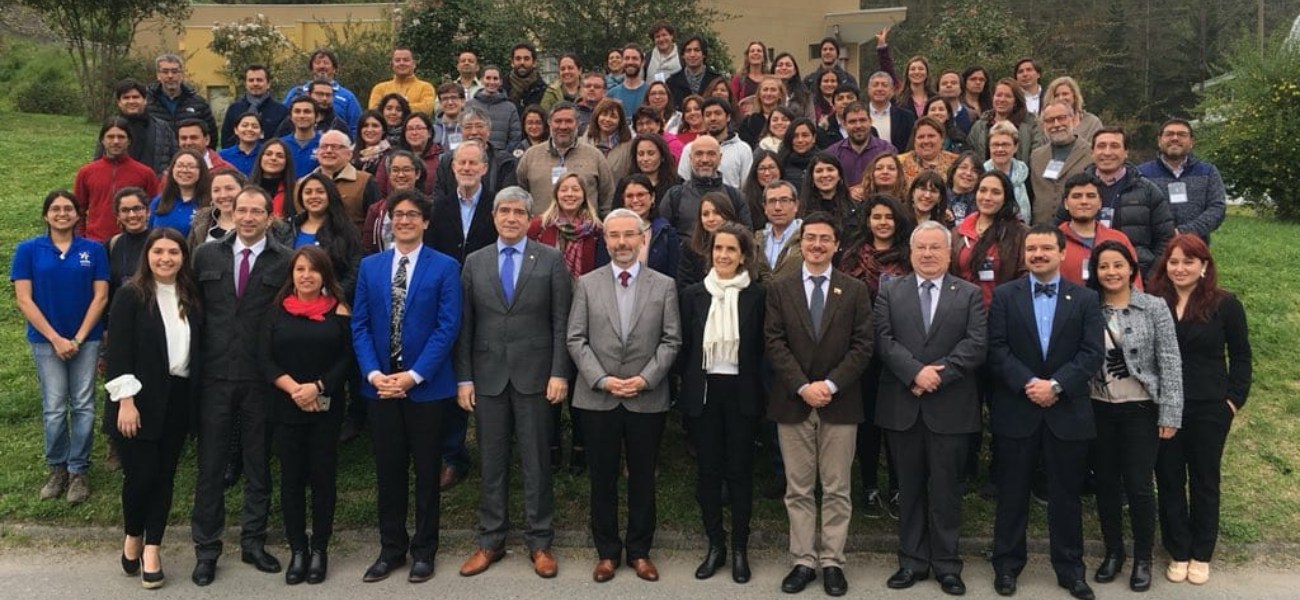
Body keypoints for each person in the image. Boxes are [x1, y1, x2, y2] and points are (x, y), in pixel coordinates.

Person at [454, 187, 572, 580]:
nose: (510, 218)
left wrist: (559, 373)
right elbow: (465, 326)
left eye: (518, 212)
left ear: (529, 218)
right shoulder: (474, 262)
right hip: (487, 378)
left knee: (537, 462)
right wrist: (465, 378)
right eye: (503, 211)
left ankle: (540, 542)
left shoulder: (551, 259)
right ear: (493, 217)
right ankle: (491, 540)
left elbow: (561, 322)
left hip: (536, 377)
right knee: (492, 462)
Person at [351, 190, 463, 585]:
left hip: (426, 389)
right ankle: (391, 549)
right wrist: (373, 374)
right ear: (389, 221)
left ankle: (424, 551)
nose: (405, 221)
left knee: (427, 473)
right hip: (380, 388)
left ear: (425, 222)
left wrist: (414, 376)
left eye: (413, 215)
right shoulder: (371, 266)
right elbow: (360, 324)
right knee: (389, 472)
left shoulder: (446, 267)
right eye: (398, 215)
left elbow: (448, 327)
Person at [988, 225, 1104, 600]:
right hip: (1017, 409)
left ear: (1061, 253)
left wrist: (1054, 385)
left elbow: (1091, 354)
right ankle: (1006, 566)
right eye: (1032, 248)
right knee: (1012, 494)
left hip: (1066, 411)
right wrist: (1029, 384)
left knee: (1066, 496)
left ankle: (1071, 570)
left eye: (1045, 248)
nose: (1038, 254)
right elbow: (997, 349)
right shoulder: (1005, 296)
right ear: (1024, 254)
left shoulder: (1085, 299)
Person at [566, 208, 681, 584]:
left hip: (646, 398)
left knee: (643, 477)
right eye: (614, 236)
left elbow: (671, 340)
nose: (621, 243)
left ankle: (640, 550)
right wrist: (602, 379)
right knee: (602, 478)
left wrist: (644, 379)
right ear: (605, 241)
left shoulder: (664, 285)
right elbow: (576, 339)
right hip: (598, 398)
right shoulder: (587, 283)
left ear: (641, 239)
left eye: (629, 235)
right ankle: (607, 552)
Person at [873, 220, 987, 596]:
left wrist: (939, 375)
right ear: (910, 252)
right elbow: (884, 340)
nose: (927, 254)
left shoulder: (969, 293)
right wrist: (914, 373)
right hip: (903, 404)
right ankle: (911, 561)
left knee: (945, 491)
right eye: (921, 247)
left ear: (949, 252)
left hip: (950, 405)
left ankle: (947, 565)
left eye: (935, 247)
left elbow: (976, 344)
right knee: (908, 488)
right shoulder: (891, 291)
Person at [189, 185, 293, 587]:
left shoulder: (284, 261)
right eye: (241, 209)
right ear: (230, 211)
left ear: (270, 217)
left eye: (256, 211)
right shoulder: (205, 255)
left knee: (257, 464)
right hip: (214, 376)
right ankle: (207, 549)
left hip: (260, 377)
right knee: (211, 466)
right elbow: (193, 311)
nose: (248, 217)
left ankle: (253, 540)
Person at [766, 212, 874, 597]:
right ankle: (802, 559)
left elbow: (864, 346)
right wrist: (802, 387)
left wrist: (828, 384)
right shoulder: (780, 287)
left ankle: (831, 561)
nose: (816, 245)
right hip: (793, 401)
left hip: (839, 402)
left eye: (824, 239)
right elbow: (774, 343)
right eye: (810, 238)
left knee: (836, 488)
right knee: (797, 489)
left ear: (835, 245)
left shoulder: (855, 290)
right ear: (801, 242)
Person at [1149, 234, 1251, 586]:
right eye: (1174, 262)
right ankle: (1178, 549)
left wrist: (1233, 401)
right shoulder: (1154, 302)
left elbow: (1241, 356)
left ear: (1204, 266)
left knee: (1206, 480)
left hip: (1210, 406)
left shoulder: (1225, 304)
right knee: (1170, 477)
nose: (1180, 268)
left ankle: (1202, 552)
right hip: (1165, 407)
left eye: (1188, 261)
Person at [103, 228, 200, 589]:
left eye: (173, 252)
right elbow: (118, 352)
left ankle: (152, 549)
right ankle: (132, 535)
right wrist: (125, 402)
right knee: (140, 476)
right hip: (137, 399)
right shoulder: (131, 295)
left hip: (178, 397)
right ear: (147, 255)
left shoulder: (190, 295)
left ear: (183, 256)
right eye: (158, 251)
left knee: (165, 476)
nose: (165, 258)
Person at [1084, 240, 1183, 592]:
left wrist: (1170, 413)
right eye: (1103, 266)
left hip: (1140, 408)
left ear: (1131, 269)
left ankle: (1143, 558)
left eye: (1117, 265)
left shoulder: (1154, 307)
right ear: (1095, 273)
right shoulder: (1088, 307)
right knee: (1106, 483)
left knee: (1139, 486)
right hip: (1098, 406)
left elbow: (1170, 361)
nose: (1111, 272)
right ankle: (1114, 553)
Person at [676, 222, 765, 584]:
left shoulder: (757, 295)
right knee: (708, 472)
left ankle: (741, 548)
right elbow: (684, 346)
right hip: (705, 393)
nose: (724, 255)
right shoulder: (695, 294)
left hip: (742, 393)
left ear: (743, 256)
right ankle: (716, 544)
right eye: (718, 249)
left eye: (731, 250)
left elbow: (762, 349)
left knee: (740, 474)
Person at [259, 245, 353, 585]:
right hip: (286, 407)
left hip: (325, 408)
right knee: (291, 480)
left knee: (323, 479)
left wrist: (318, 386)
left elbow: (347, 359)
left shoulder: (339, 310)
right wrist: (295, 390)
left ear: (324, 275)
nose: (306, 275)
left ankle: (320, 549)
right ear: (292, 274)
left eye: (313, 270)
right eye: (300, 269)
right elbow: (265, 359)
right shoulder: (276, 311)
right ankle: (298, 548)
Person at [13, 190, 110, 504]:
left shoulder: (93, 250)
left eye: (68, 208)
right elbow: (24, 299)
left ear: (78, 215)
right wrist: (55, 338)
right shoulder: (28, 250)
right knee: (54, 407)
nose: (62, 213)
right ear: (46, 215)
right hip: (46, 341)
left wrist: (79, 338)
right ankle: (57, 468)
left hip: (86, 338)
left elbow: (101, 297)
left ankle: (78, 469)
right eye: (55, 209)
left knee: (83, 405)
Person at [837, 194, 913, 520]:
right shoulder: (852, 257)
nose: (882, 222)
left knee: (897, 422)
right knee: (867, 422)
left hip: (900, 347)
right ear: (867, 221)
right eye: (876, 216)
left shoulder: (909, 259)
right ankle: (868, 486)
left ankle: (897, 487)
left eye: (888, 217)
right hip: (861, 349)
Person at [1065, 127, 1174, 278]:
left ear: (1126, 152)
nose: (1107, 152)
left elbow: (1166, 238)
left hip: (1136, 278)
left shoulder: (1148, 190)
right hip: (1083, 278)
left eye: (1114, 146)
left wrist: (1151, 275)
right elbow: (1061, 231)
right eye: (1101, 146)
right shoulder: (1076, 188)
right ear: (1092, 152)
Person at [516, 102, 615, 216]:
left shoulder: (595, 156)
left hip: (585, 231)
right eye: (558, 121)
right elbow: (521, 197)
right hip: (541, 231)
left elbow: (607, 199)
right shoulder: (530, 156)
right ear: (549, 123)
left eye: (568, 121)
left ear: (577, 124)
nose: (563, 127)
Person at [1137, 119, 1227, 243]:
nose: (1175, 138)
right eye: (1169, 134)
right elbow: (1136, 211)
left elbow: (1217, 209)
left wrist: (1184, 232)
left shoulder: (1208, 172)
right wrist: (1163, 233)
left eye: (1182, 134)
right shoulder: (1141, 174)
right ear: (1159, 141)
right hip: (1154, 249)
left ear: (1191, 142)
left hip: (1195, 249)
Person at [75, 117, 160, 242]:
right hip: (96, 241)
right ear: (102, 140)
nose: (115, 141)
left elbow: (154, 209)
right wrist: (80, 238)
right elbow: (78, 209)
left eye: (121, 137)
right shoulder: (86, 172)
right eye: (110, 137)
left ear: (129, 140)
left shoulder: (145, 173)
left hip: (133, 240)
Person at [954, 171, 1028, 308]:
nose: (987, 197)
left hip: (1001, 311)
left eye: (995, 192)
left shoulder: (1020, 233)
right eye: (982, 190)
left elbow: (1025, 277)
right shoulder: (958, 232)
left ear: (1006, 197)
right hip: (962, 310)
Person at [662, 135, 753, 244]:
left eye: (711, 154)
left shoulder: (735, 196)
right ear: (690, 159)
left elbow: (746, 239)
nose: (705, 160)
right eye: (699, 154)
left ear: (720, 158)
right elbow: (664, 239)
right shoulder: (675, 196)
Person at [287, 173, 363, 298]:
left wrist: (335, 297)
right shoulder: (290, 227)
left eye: (320, 191)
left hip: (331, 304)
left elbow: (354, 272)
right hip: (291, 302)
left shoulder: (346, 230)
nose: (314, 196)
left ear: (330, 195)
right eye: (308, 192)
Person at [1057, 173, 1139, 286]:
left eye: (1090, 196)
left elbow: (1135, 282)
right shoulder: (1053, 241)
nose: (1084, 202)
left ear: (1100, 203)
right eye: (1077, 196)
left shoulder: (1119, 239)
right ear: (1066, 203)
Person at [427, 140, 498, 265]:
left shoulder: (497, 206)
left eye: (473, 163)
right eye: (462, 162)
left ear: (484, 168)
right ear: (454, 167)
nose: (466, 168)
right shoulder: (438, 208)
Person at [1029, 101, 1093, 226]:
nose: (1056, 124)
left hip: (1076, 230)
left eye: (1061, 118)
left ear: (1074, 119)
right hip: (1041, 230)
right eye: (1050, 120)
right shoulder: (1036, 156)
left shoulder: (1091, 154)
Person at [310, 130, 381, 233]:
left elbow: (375, 223)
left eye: (335, 147)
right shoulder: (304, 184)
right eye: (324, 146)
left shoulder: (365, 181)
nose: (328, 151)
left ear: (349, 154)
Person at [610, 174, 680, 278]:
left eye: (640, 195)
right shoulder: (610, 231)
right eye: (629, 196)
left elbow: (674, 275)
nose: (635, 200)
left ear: (652, 197)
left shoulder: (665, 232)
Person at [677, 97, 753, 188]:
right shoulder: (690, 148)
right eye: (708, 115)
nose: (713, 118)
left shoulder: (743, 149)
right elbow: (683, 183)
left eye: (718, 113)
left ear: (728, 117)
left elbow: (747, 186)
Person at [282, 49, 362, 135]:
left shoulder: (347, 97)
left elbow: (356, 127)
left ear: (335, 69)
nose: (322, 66)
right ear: (312, 69)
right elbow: (282, 118)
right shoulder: (296, 92)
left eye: (326, 63)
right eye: (317, 63)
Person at [968, 78, 1044, 165]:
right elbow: (971, 155)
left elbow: (1038, 155)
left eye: (1008, 96)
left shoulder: (1031, 125)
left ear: (1016, 101)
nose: (1002, 99)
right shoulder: (980, 126)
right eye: (998, 95)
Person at [363, 151, 426, 255]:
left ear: (417, 174)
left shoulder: (429, 207)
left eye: (406, 170)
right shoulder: (376, 210)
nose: (401, 175)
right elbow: (368, 247)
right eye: (395, 170)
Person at [146, 53, 217, 147]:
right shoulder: (146, 103)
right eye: (165, 71)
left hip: (191, 158)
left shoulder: (199, 103)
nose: (170, 76)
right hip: (157, 160)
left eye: (175, 71)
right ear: (158, 75)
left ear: (182, 74)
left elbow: (211, 136)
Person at [111, 78, 177, 174]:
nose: (131, 101)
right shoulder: (111, 128)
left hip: (155, 185)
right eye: (126, 98)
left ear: (145, 100)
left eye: (135, 97)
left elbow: (175, 157)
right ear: (119, 102)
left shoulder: (162, 128)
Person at [677, 191, 737, 288]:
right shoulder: (690, 247)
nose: (711, 219)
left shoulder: (743, 243)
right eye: (705, 214)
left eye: (716, 213)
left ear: (728, 214)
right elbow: (684, 286)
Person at [827, 101, 893, 189]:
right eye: (852, 121)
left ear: (870, 121)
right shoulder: (832, 153)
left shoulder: (887, 150)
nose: (858, 126)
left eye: (862, 120)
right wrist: (847, 193)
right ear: (844, 124)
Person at [220, 64, 287, 150]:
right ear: (245, 84)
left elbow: (284, 141)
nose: (255, 83)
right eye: (251, 80)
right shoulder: (234, 109)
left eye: (259, 80)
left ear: (268, 84)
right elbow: (226, 141)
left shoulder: (281, 111)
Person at [148, 149, 210, 238]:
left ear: (201, 171)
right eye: (180, 166)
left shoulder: (209, 203)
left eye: (191, 166)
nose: (184, 170)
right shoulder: (159, 202)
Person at [983, 121, 1033, 224]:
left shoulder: (1026, 174)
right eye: (995, 145)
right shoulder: (981, 174)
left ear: (1015, 147)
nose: (1000, 149)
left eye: (1005, 145)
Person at [468, 65, 523, 153]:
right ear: (482, 80)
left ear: (500, 82)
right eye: (488, 78)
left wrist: (503, 156)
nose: (492, 82)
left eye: (495, 78)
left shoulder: (510, 107)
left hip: (500, 158)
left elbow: (515, 137)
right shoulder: (470, 105)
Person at [755, 180, 804, 279]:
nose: (777, 207)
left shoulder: (807, 237)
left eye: (784, 200)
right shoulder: (757, 240)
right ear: (765, 207)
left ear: (796, 205)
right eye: (772, 201)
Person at [369, 47, 436, 116]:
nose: (401, 63)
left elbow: (427, 109)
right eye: (397, 60)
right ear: (392, 65)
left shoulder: (426, 87)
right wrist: (409, 107)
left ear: (414, 64)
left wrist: (390, 108)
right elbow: (374, 112)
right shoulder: (379, 88)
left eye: (406, 60)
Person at [189, 169, 247, 248]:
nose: (223, 195)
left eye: (229, 188)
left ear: (243, 190)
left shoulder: (256, 222)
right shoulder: (201, 220)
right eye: (216, 190)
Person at [899, 116, 959, 186]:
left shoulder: (956, 163)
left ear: (942, 139)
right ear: (914, 140)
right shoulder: (899, 163)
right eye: (921, 137)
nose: (926, 141)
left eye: (931, 136)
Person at [582, 99, 635, 177]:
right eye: (604, 115)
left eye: (613, 116)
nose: (607, 119)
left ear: (620, 121)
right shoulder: (584, 141)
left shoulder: (629, 145)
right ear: (597, 116)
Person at [866, 71, 915, 154]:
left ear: (892, 91)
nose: (880, 89)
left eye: (884, 85)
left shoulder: (906, 117)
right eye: (875, 85)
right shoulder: (858, 115)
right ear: (868, 89)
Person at [667, 36, 722, 109]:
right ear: (683, 55)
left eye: (696, 50)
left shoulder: (716, 80)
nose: (692, 55)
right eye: (688, 51)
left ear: (704, 54)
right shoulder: (672, 82)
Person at [1044, 77, 1103, 146]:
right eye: (1056, 95)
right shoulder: (1046, 123)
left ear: (1074, 96)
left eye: (1065, 94)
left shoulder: (1092, 122)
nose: (1061, 98)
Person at [628, 133, 681, 204]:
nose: (645, 159)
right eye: (641, 154)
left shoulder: (677, 185)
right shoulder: (627, 184)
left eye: (651, 153)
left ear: (662, 156)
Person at [250, 138, 297, 216]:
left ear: (287, 161)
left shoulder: (295, 191)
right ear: (260, 158)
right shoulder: (246, 189)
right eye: (268, 154)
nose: (273, 158)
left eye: (280, 156)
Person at [280, 96, 322, 178]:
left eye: (307, 112)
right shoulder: (281, 145)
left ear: (317, 117)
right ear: (291, 117)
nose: (302, 116)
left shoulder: (325, 144)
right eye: (297, 111)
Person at [738, 76, 785, 146]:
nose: (769, 93)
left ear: (780, 95)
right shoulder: (749, 121)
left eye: (773, 90)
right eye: (765, 90)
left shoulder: (788, 120)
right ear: (759, 94)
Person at [504, 43, 548, 115]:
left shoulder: (543, 90)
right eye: (518, 59)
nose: (522, 62)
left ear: (534, 63)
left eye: (526, 59)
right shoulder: (501, 88)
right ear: (512, 62)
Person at [778, 118, 820, 191]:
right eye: (795, 136)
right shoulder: (781, 163)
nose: (800, 140)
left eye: (805, 135)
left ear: (814, 138)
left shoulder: (823, 162)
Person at [607, 44, 648, 115]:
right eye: (627, 58)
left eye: (634, 58)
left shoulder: (650, 92)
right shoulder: (611, 94)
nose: (630, 62)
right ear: (622, 62)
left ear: (643, 62)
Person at [772, 52, 813, 120]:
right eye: (780, 65)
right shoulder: (767, 92)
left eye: (788, 65)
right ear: (774, 69)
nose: (784, 68)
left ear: (795, 71)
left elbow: (811, 120)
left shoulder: (804, 94)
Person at [946, 151, 983, 222]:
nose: (968, 173)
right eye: (963, 167)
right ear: (953, 170)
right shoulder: (939, 195)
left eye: (974, 171)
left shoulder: (982, 201)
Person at [732, 40, 769, 106]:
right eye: (752, 51)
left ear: (764, 57)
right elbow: (733, 102)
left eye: (759, 51)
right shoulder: (739, 79)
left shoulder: (770, 79)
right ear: (747, 57)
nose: (755, 53)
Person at [354, 111, 392, 175]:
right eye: (365, 126)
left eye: (375, 126)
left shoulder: (390, 156)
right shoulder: (349, 154)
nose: (370, 130)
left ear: (383, 131)